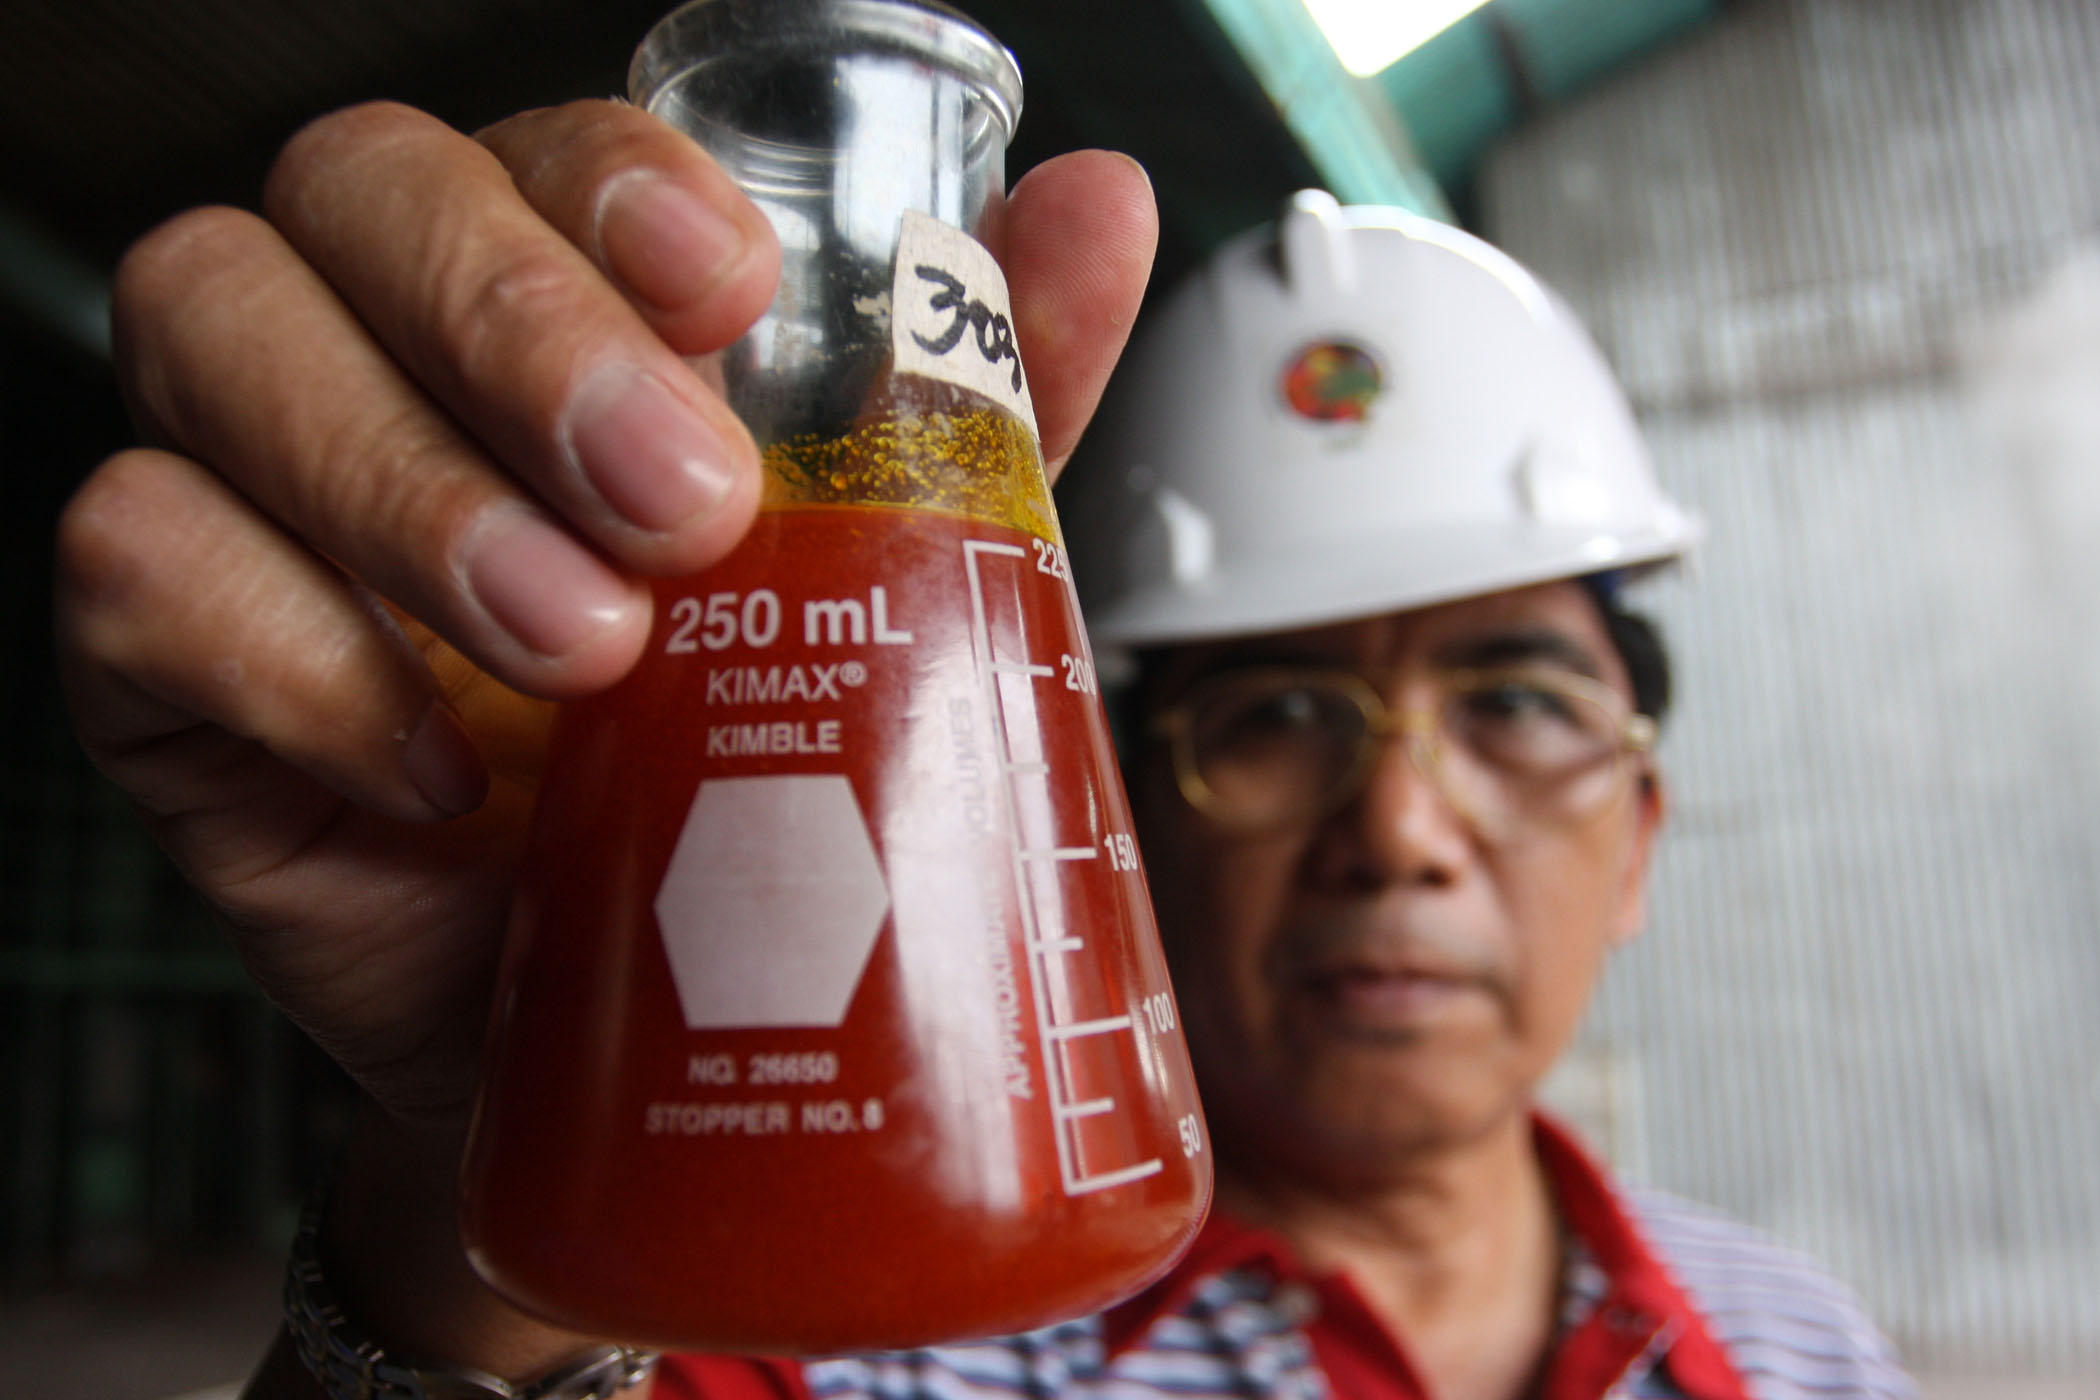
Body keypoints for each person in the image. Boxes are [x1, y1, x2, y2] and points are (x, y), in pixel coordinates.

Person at [51, 95, 1912, 1400]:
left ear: (1645, 830)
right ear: (1080, 806)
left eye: (1518, 702)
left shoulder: (1803, 1353)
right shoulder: (841, 1312)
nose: (1402, 829)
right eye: (1269, 715)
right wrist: (511, 1147)